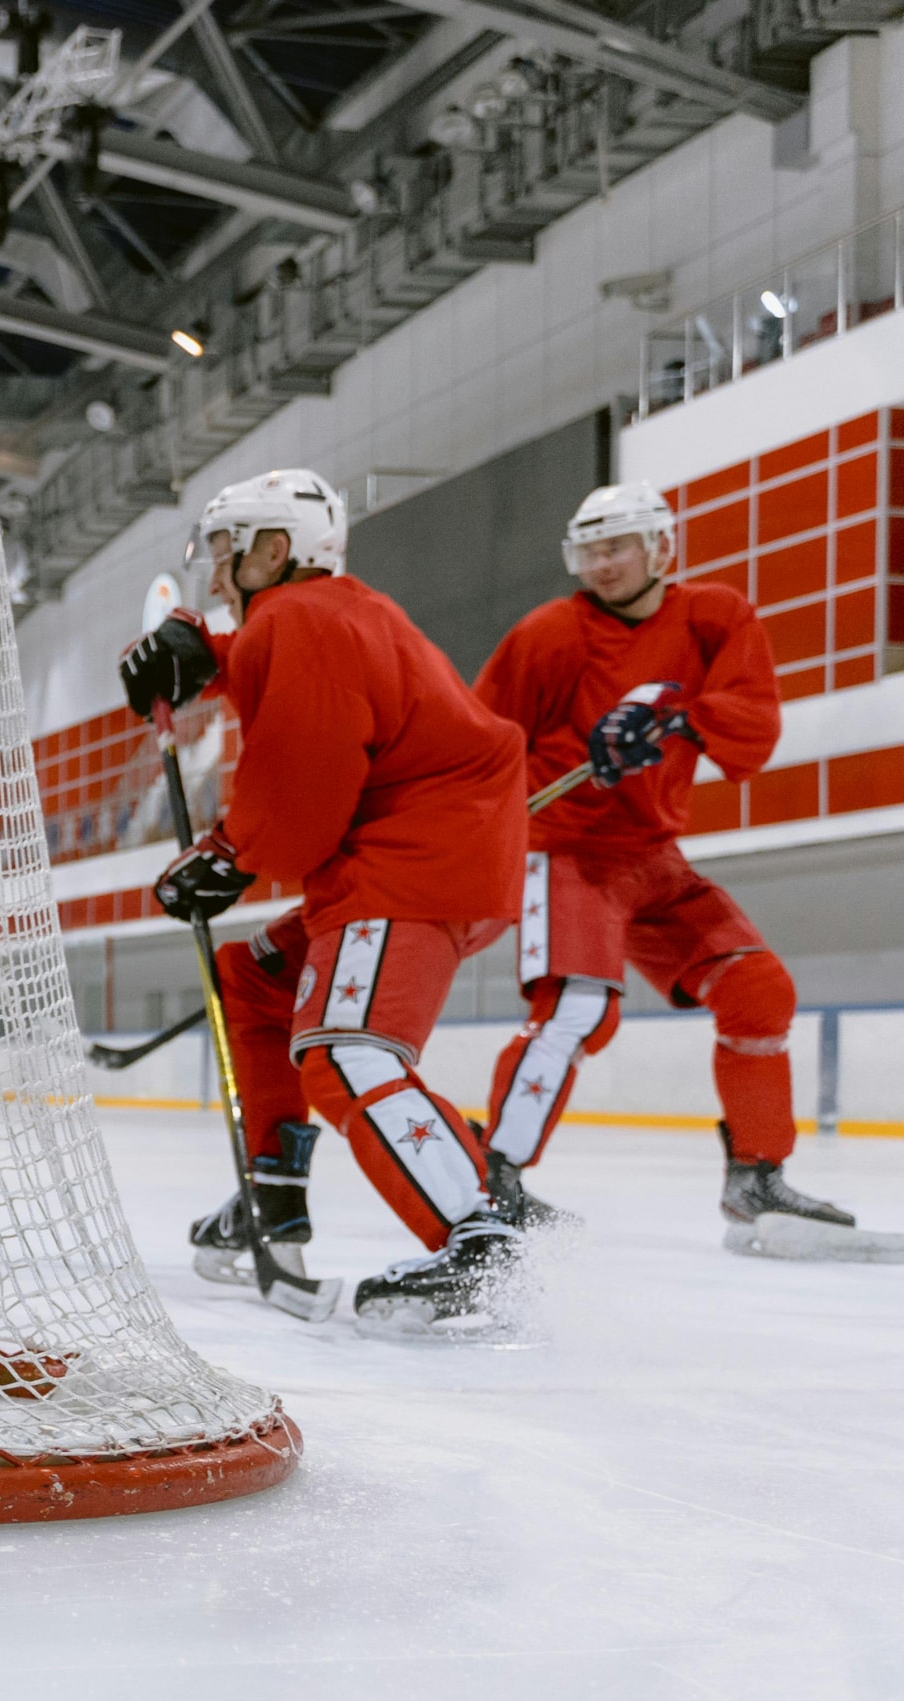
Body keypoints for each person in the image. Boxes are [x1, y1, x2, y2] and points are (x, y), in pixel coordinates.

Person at [119, 468, 530, 1332]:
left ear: (279, 550)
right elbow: (290, 683)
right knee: (255, 981)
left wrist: (228, 856)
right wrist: (208, 656)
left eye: (229, 554)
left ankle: (481, 1238)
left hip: (410, 864)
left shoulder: (304, 620)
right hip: (415, 858)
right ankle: (275, 1198)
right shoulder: (318, 617)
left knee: (344, 1052)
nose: (219, 574)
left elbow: (305, 789)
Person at [472, 483, 853, 1247]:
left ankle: (756, 1179)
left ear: (661, 548)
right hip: (564, 848)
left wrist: (682, 721)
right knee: (578, 1010)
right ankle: (494, 1179)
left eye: (618, 546)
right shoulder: (550, 634)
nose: (602, 563)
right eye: (589, 550)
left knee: (758, 990)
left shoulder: (713, 617)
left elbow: (750, 721)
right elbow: (482, 738)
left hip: (652, 858)